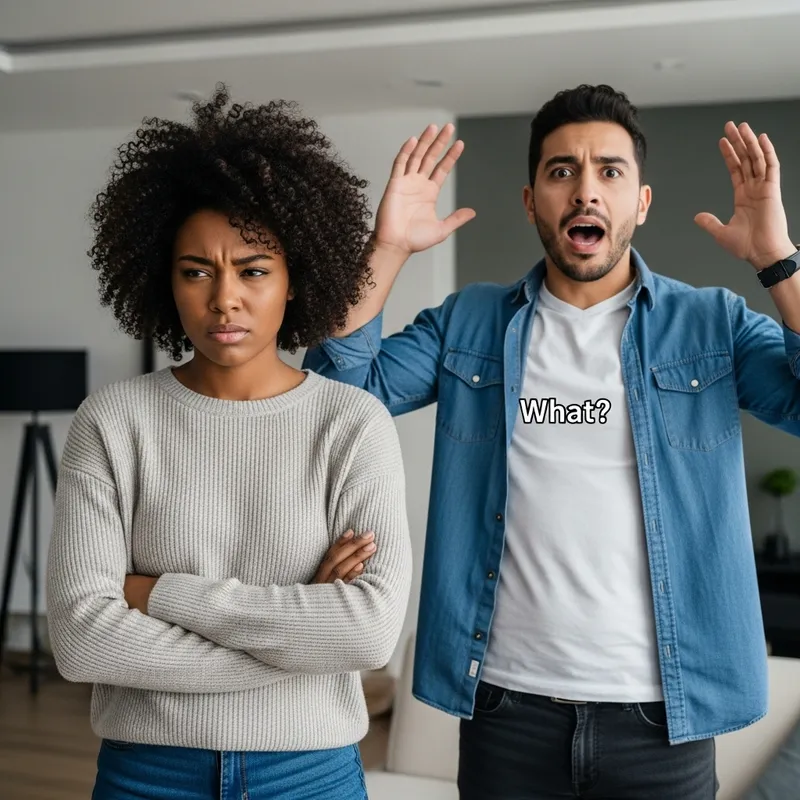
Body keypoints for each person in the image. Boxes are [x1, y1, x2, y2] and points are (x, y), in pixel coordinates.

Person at [303, 83, 800, 799]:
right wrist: (386, 250)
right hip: (507, 710)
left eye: (610, 171)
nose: (585, 191)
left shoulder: (710, 325)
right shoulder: (468, 324)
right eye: (562, 171)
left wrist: (777, 260)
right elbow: (338, 395)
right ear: (532, 199)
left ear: (642, 202)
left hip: (664, 722)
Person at [45, 84, 412, 800]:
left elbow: (368, 635)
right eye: (196, 272)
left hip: (310, 774)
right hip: (147, 774)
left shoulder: (352, 424)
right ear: (164, 282)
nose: (224, 301)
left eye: (252, 271)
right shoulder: (113, 422)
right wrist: (298, 633)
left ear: (295, 280)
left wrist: (160, 594)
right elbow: (83, 638)